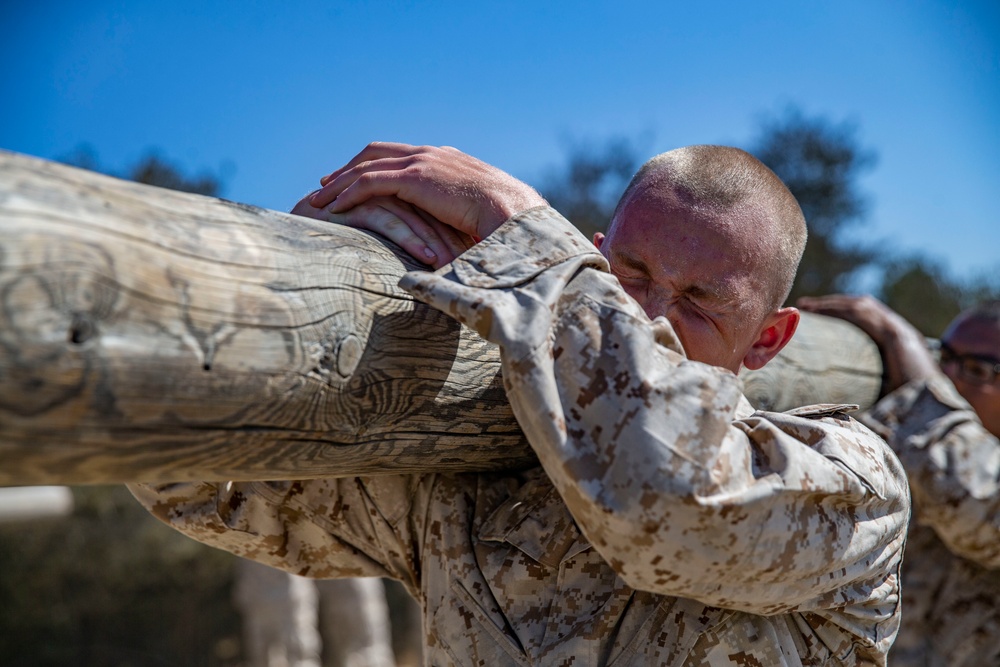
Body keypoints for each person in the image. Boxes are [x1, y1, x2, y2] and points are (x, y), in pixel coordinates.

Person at [130, 143, 909, 665]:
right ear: (600, 255)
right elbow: (213, 491)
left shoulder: (854, 480)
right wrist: (286, 297)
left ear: (769, 340)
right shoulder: (484, 474)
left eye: (701, 300)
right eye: (629, 272)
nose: (649, 314)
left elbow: (667, 498)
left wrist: (519, 228)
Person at [799, 295, 1000, 666]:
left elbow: (978, 503)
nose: (947, 378)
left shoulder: (925, 435)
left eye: (976, 368)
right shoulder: (905, 443)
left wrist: (901, 345)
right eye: (945, 358)